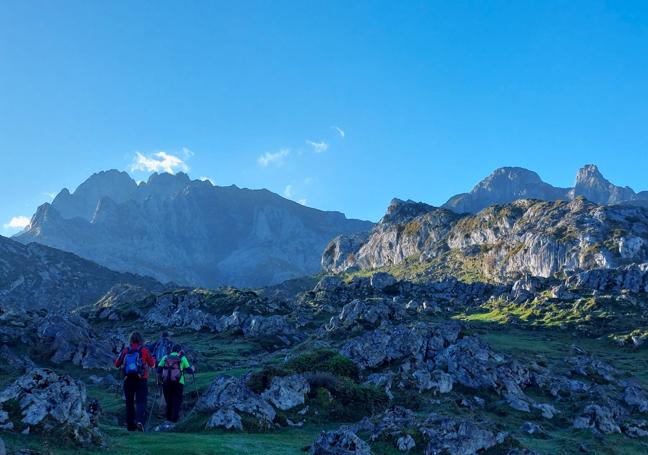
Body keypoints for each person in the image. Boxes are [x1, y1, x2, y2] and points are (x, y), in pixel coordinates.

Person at [114, 331, 156, 431]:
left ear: (130, 340)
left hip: (128, 379)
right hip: (142, 379)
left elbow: (117, 364)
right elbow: (152, 364)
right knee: (141, 402)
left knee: (129, 403)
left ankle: (130, 426)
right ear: (141, 339)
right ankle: (140, 421)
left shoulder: (126, 350)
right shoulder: (145, 350)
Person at [157, 344, 195, 423]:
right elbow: (189, 371)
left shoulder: (165, 357)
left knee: (169, 401)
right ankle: (174, 421)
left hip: (166, 383)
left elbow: (159, 370)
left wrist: (160, 380)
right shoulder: (182, 358)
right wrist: (193, 369)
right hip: (178, 383)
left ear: (172, 350)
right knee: (176, 402)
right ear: (179, 351)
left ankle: (168, 420)